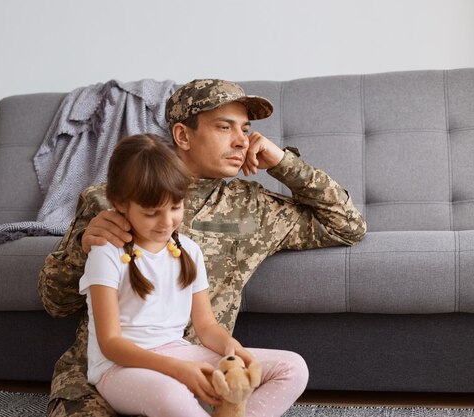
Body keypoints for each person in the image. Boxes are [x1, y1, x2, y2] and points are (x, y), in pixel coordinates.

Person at [38, 79, 367, 417]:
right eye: (225, 128)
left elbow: (347, 225)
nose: (242, 141)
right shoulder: (108, 199)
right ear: (183, 136)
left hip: (199, 379)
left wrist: (283, 162)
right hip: (101, 378)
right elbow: (55, 303)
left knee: (280, 372)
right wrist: (82, 247)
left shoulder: (253, 208)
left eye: (246, 129)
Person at [80, 133, 308, 417]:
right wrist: (179, 370)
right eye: (152, 213)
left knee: (294, 367)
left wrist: (231, 348)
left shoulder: (188, 249)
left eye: (175, 207)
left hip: (178, 353)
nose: (166, 223)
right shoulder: (107, 253)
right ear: (120, 203)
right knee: (171, 394)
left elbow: (206, 325)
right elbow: (111, 344)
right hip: (119, 368)